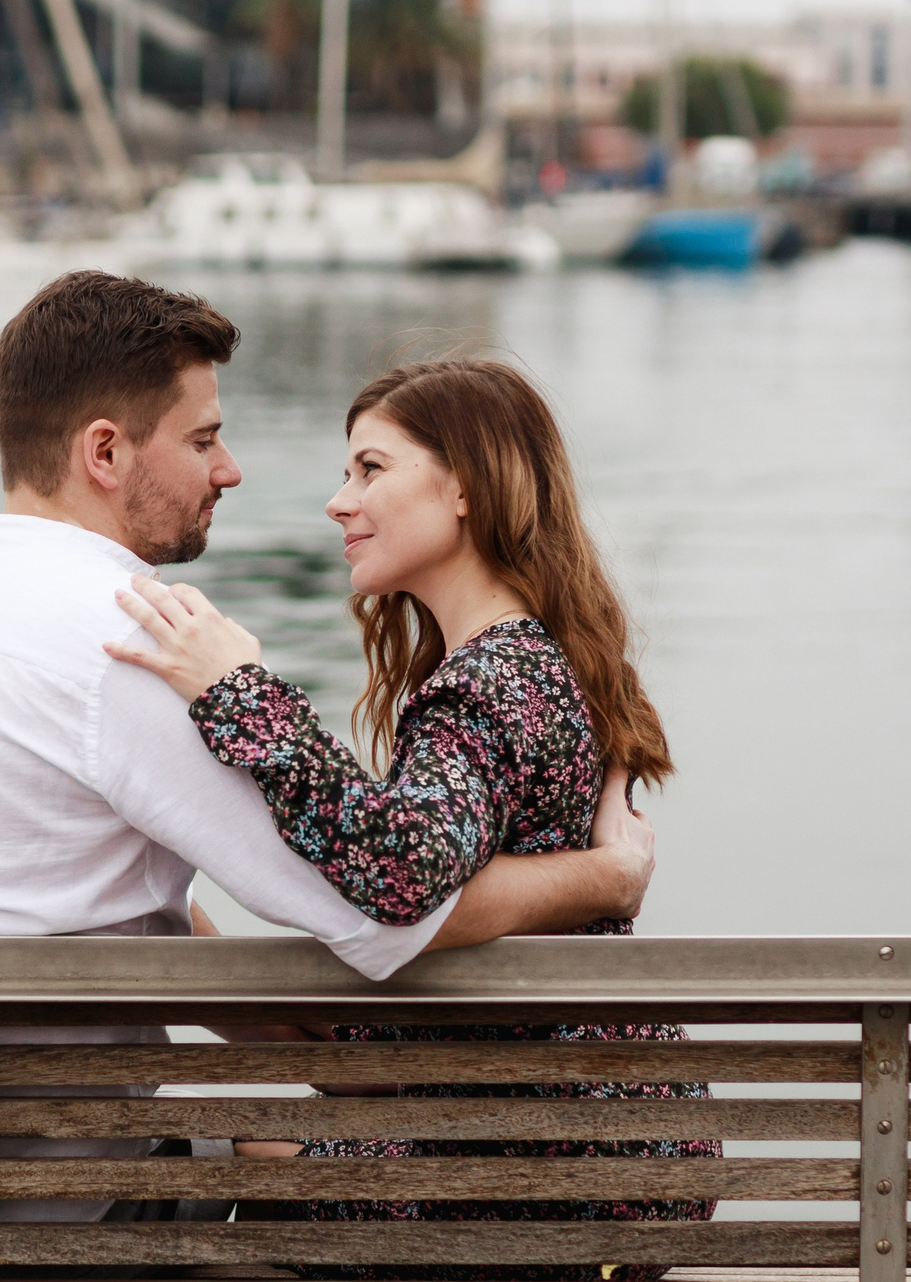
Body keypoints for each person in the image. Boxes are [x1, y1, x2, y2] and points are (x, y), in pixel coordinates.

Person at [0, 275, 655, 1229]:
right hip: (1, 1176)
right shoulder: (137, 636)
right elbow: (378, 909)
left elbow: (64, 888)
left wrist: (301, 1047)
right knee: (255, 1150)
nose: (231, 468)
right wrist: (604, 876)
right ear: (107, 452)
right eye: (203, 439)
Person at [109, 358, 717, 1280]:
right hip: (618, 1148)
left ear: (465, 485)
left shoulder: (487, 687)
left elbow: (399, 873)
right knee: (272, 1116)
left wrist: (239, 690)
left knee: (252, 1144)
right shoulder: (551, 658)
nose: (338, 502)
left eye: (370, 469)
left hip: (550, 1178)